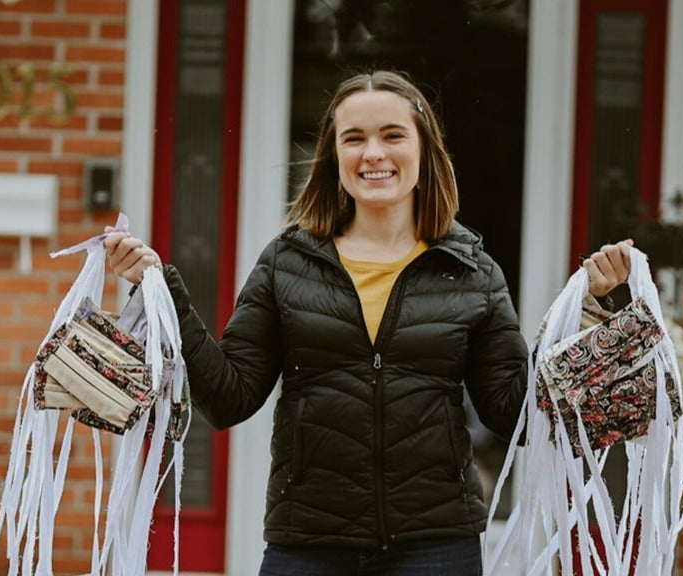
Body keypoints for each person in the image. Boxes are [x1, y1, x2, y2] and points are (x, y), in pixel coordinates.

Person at [103, 69, 632, 576]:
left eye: (392, 135)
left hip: (436, 545)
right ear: (335, 156)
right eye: (354, 138)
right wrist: (161, 291)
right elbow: (229, 396)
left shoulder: (470, 270)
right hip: (308, 541)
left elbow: (513, 413)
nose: (373, 153)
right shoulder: (286, 262)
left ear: (423, 150)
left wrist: (582, 318)